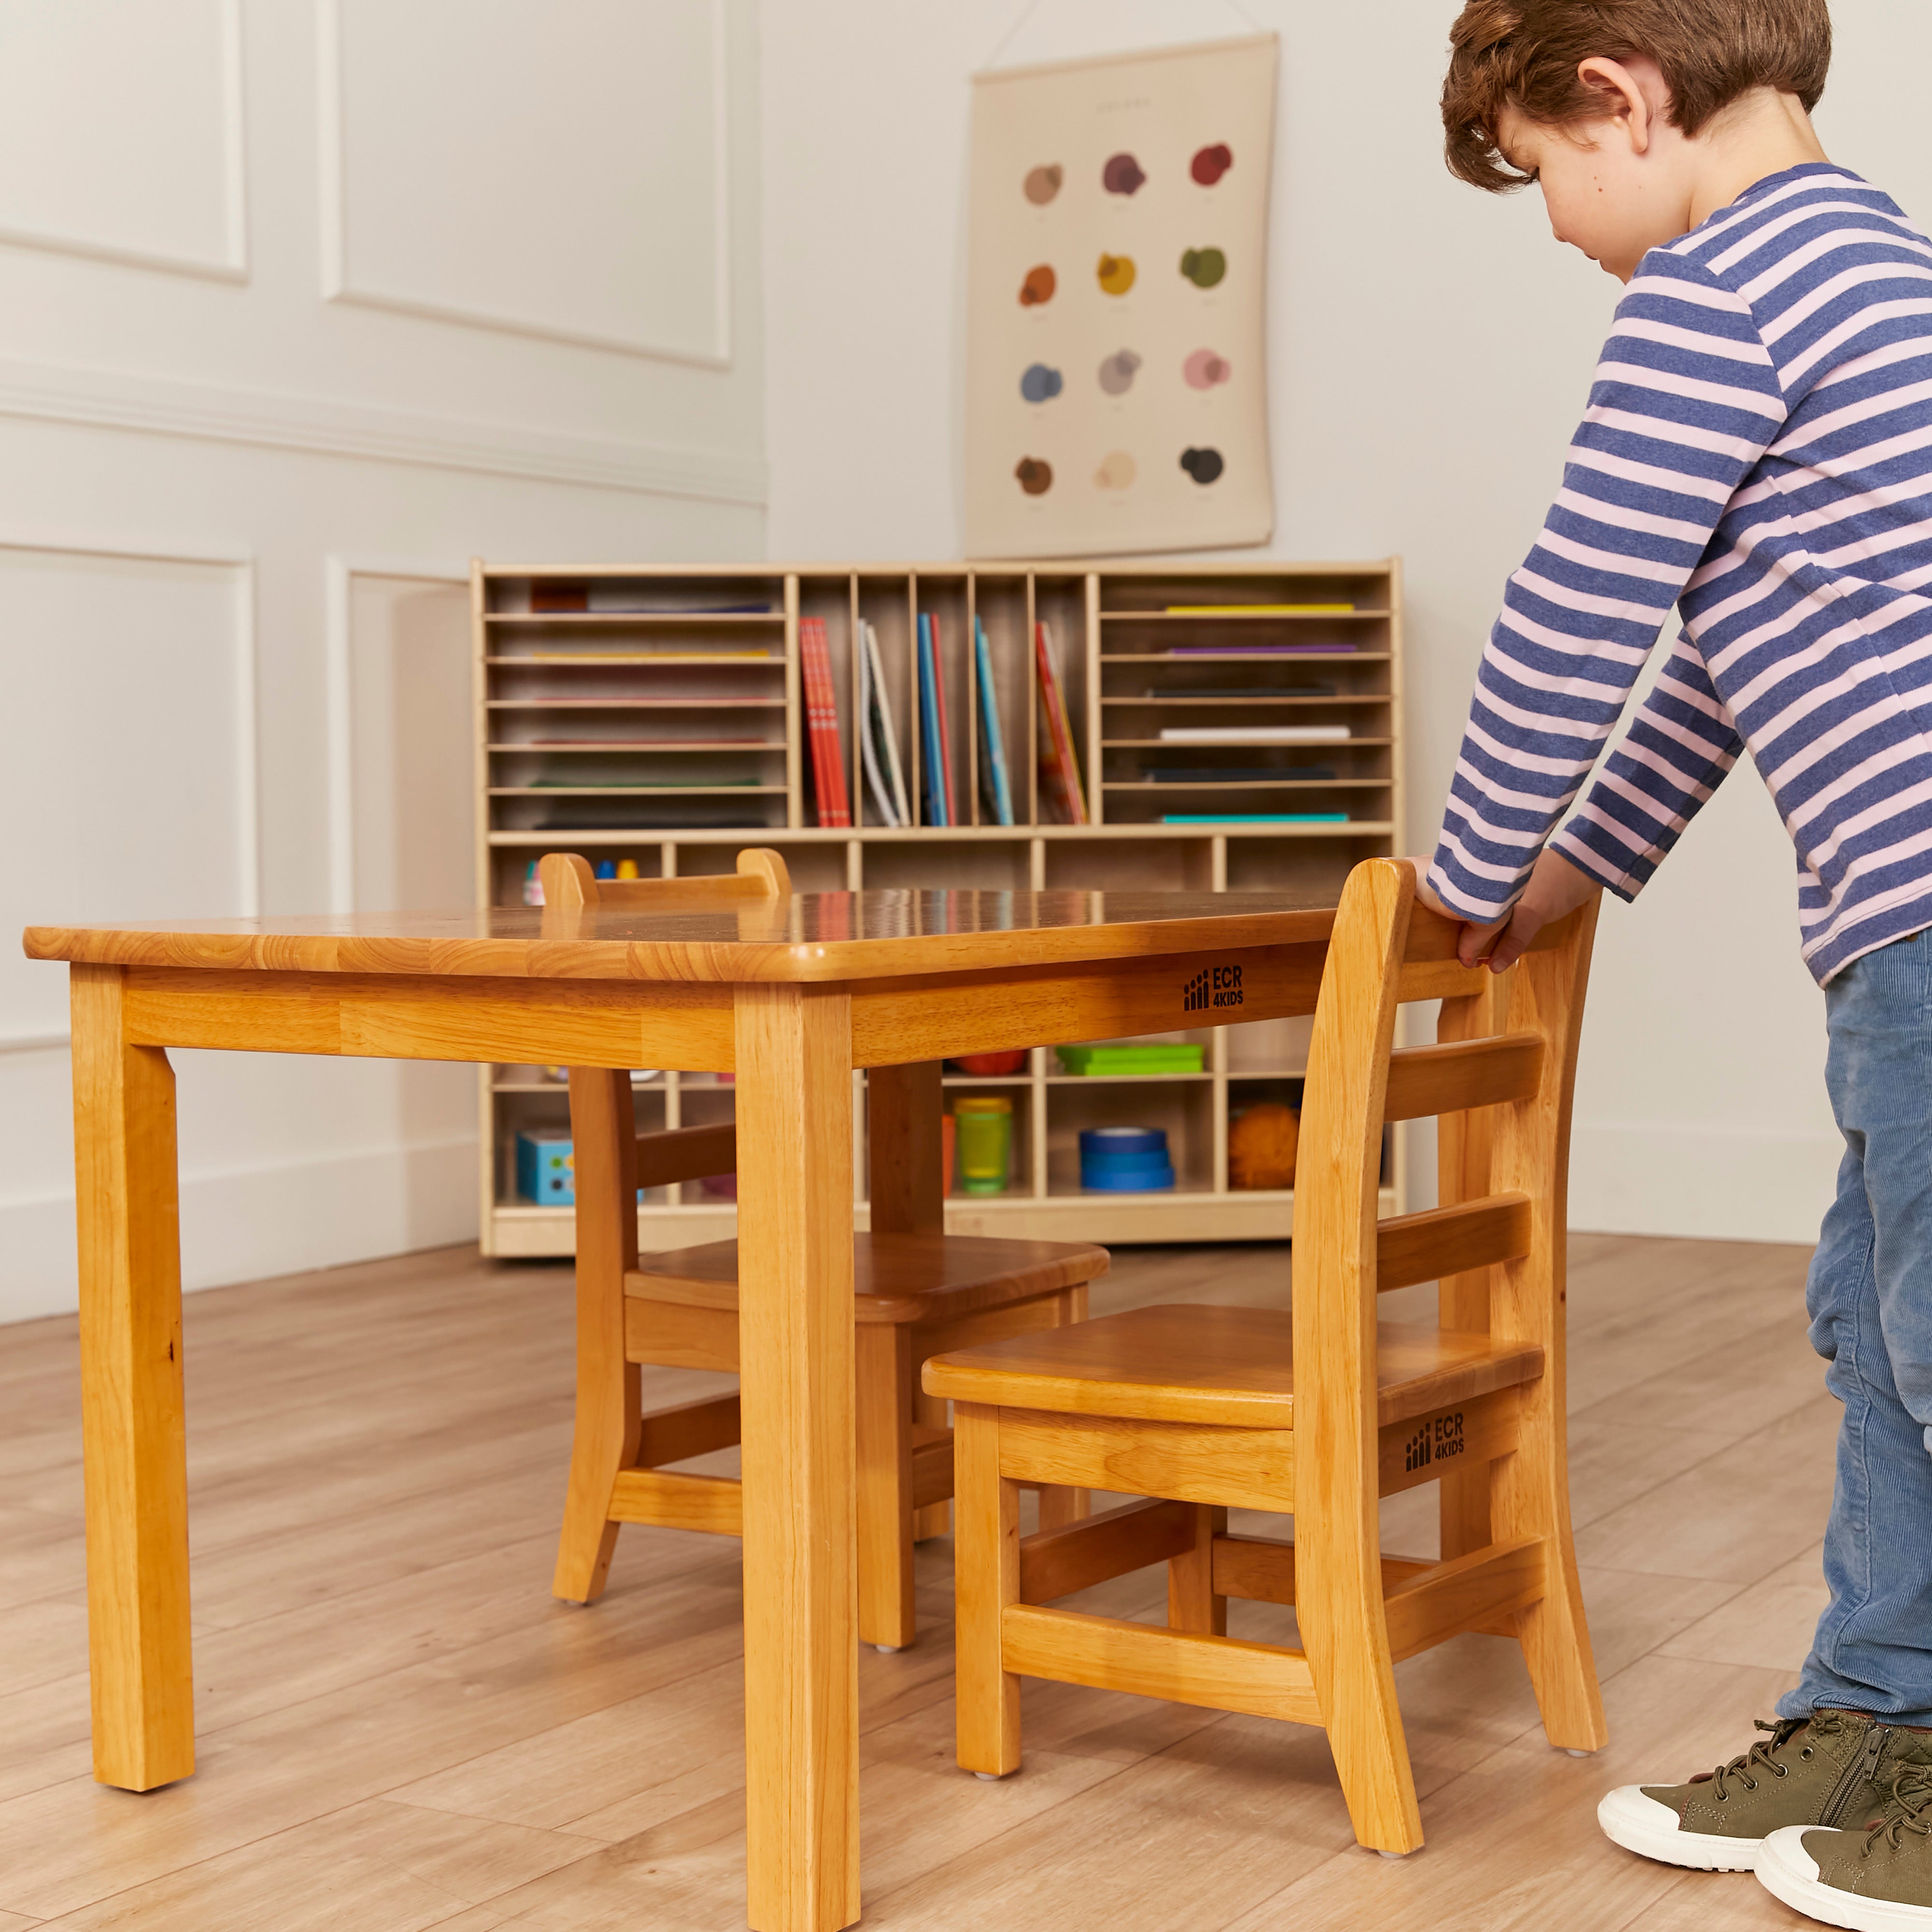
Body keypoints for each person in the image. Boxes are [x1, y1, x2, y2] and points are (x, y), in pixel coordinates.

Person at [1423, 4, 1932, 1925]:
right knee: (1882, 1329)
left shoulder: (1718, 290)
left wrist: (1466, 868)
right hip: (1898, 924)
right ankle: (1878, 1711)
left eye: (1543, 176)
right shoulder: (1871, 262)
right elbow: (1724, 651)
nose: (1558, 227)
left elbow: (1576, 608)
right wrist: (1577, 862)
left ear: (1611, 102)